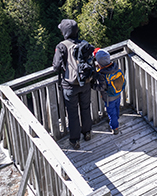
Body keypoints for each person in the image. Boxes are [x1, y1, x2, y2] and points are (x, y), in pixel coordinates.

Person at [52, 19, 94, 150]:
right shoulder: (84, 44)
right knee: (86, 108)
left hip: (70, 85)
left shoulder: (62, 46)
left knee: (72, 113)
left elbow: (56, 66)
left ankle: (75, 141)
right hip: (85, 82)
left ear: (65, 32)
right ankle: (87, 133)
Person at [93, 48, 125, 135]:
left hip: (108, 97)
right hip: (118, 93)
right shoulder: (115, 67)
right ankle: (116, 119)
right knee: (116, 108)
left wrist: (93, 86)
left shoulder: (102, 74)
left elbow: (102, 87)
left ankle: (115, 128)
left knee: (111, 113)